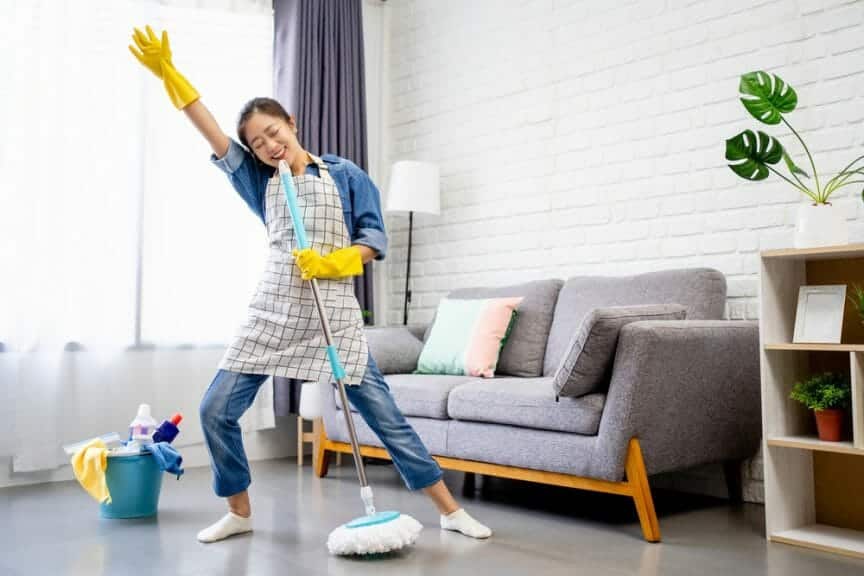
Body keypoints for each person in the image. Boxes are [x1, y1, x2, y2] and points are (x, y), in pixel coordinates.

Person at [129, 26, 491, 544]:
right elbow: (210, 130)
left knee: (387, 421)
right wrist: (170, 73)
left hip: (333, 315)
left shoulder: (345, 175)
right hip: (273, 311)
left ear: (291, 123)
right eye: (257, 142)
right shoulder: (258, 182)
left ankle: (450, 511)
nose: (269, 145)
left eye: (273, 132)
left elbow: (373, 237)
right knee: (215, 410)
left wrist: (337, 260)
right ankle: (239, 510)